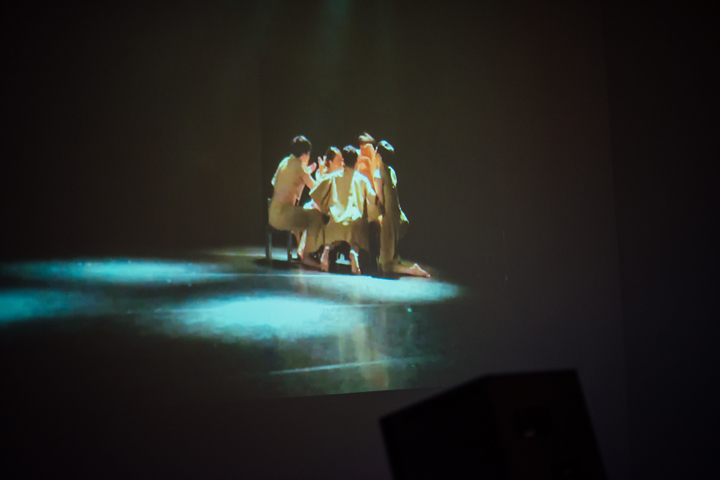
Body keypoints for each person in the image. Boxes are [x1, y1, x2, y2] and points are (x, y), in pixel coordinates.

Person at [309, 145, 380, 274]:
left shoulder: (333, 176)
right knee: (355, 239)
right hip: (354, 222)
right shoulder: (362, 179)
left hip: (335, 221)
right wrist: (374, 214)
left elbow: (315, 192)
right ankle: (354, 253)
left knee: (331, 237)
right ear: (356, 160)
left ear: (343, 160)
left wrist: (325, 209)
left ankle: (327, 250)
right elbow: (373, 200)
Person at [374, 140, 430, 277]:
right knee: (389, 256)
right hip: (398, 216)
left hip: (389, 218)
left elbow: (381, 197)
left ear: (379, 156)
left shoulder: (378, 173)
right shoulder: (391, 171)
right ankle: (397, 260)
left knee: (386, 266)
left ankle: (412, 269)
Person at [269, 135, 325, 268]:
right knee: (316, 216)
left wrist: (305, 173)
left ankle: (301, 250)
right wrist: (321, 172)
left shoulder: (284, 161)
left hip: (273, 212)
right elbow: (316, 188)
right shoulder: (300, 167)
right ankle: (307, 256)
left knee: (304, 213)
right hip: (283, 215)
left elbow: (276, 182)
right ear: (305, 154)